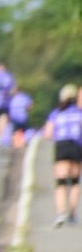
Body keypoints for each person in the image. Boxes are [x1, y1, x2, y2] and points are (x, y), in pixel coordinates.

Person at [43, 85, 82, 227]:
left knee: (61, 183)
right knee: (75, 182)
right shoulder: (79, 112)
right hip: (76, 146)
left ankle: (61, 214)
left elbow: (48, 133)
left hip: (61, 146)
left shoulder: (56, 113)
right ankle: (72, 214)